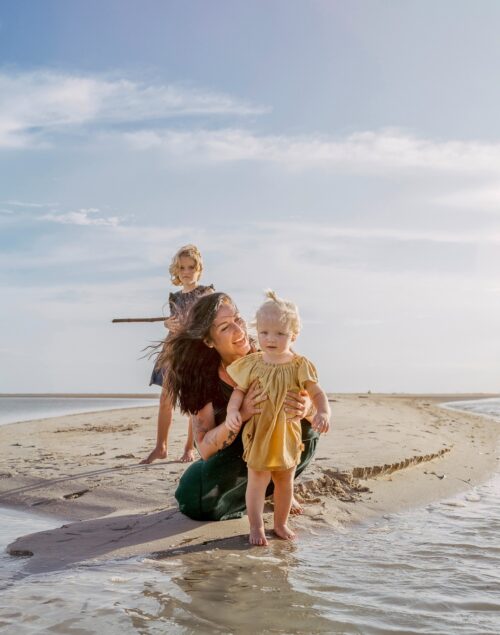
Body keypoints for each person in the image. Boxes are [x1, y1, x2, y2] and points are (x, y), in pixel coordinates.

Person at [161, 292, 322, 524]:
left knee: (308, 430)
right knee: (193, 494)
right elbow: (205, 449)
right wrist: (240, 414)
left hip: (278, 446)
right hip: (234, 455)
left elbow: (316, 402)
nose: (239, 330)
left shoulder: (273, 354)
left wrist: (306, 407)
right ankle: (259, 494)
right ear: (209, 340)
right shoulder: (202, 379)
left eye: (238, 319)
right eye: (225, 327)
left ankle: (280, 489)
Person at [225, 290, 330, 545]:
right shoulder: (253, 363)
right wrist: (232, 412)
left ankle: (281, 524)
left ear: (293, 335)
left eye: (280, 334)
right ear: (257, 331)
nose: (270, 339)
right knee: (257, 481)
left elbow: (316, 392)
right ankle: (256, 526)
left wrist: (324, 411)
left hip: (287, 434)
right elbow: (238, 391)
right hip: (259, 433)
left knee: (285, 481)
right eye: (264, 333)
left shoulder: (299, 365)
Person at [141, 244, 214, 465]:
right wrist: (167, 323)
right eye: (182, 268)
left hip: (195, 352)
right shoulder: (174, 296)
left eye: (191, 267)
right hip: (173, 351)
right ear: (176, 270)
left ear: (198, 268)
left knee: (192, 403)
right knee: (165, 400)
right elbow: (174, 324)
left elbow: (209, 321)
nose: (186, 272)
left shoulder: (205, 293)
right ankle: (160, 447)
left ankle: (189, 448)